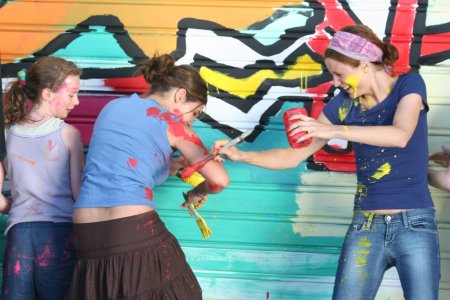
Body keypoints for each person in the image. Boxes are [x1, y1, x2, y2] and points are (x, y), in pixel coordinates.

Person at [215, 24, 440, 299]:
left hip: (414, 224)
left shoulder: (409, 85)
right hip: (365, 226)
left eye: (339, 73)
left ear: (365, 65)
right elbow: (293, 156)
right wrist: (242, 155)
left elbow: (400, 135)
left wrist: (332, 130)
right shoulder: (343, 104)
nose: (335, 82)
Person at [68, 53, 230, 300]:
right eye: (194, 114)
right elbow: (219, 180)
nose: (191, 123)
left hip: (86, 234)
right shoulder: (171, 122)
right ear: (180, 96)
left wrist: (172, 166)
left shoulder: (113, 107)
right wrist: (199, 191)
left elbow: (122, 167)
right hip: (131, 230)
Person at [0, 56, 84, 299]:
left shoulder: (7, 133)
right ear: (47, 93)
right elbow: (79, 195)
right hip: (60, 237)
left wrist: (17, 209)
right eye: (71, 94)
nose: (76, 102)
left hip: (19, 235)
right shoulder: (69, 135)